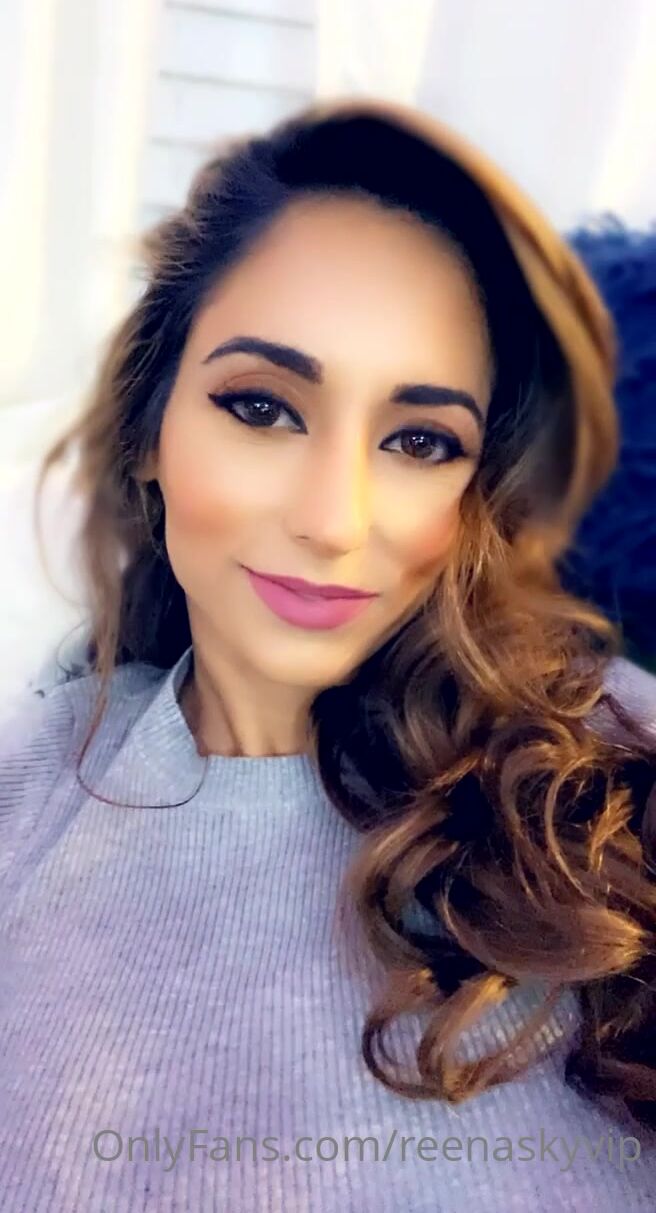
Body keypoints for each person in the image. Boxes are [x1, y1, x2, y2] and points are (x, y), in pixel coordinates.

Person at [2, 94, 656, 1212]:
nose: (334, 520)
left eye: (419, 440)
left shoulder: (605, 766)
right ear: (150, 431)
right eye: (263, 408)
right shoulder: (32, 785)